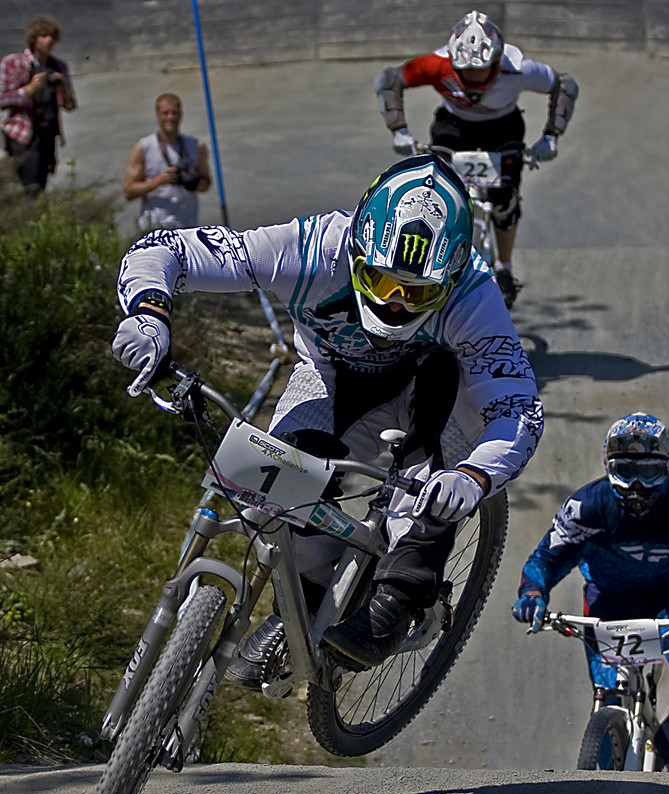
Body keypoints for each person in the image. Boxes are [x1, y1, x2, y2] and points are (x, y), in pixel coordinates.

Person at [112, 153, 544, 687]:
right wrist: (149, 313)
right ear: (359, 246)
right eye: (381, 281)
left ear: (452, 275)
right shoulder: (314, 248)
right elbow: (165, 251)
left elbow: (518, 408)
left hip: (430, 387)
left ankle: (404, 591)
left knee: (431, 483)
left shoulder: (473, 293)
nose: (394, 306)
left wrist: (475, 476)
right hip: (332, 377)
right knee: (277, 496)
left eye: (417, 293)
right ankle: (299, 604)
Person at [512, 412, 669, 771]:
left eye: (649, 472)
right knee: (609, 690)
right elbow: (545, 558)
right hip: (609, 601)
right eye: (625, 471)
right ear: (608, 467)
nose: (637, 486)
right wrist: (533, 593)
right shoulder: (584, 508)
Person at [375, 10, 578, 308]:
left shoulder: (517, 67)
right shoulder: (436, 64)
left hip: (503, 128)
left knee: (505, 199)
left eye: (480, 70)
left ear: (496, 61)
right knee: (437, 196)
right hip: (453, 127)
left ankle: (504, 268)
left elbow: (564, 85)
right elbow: (390, 79)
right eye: (465, 70)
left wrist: (551, 135)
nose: (472, 78)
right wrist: (399, 131)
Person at [0, 15, 77, 198]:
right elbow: (2, 99)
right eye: (43, 35)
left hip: (48, 134)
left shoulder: (58, 66)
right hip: (23, 134)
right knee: (28, 189)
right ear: (34, 38)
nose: (48, 40)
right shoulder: (14, 62)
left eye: (51, 35)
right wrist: (28, 90)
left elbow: (70, 105)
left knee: (40, 187)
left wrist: (63, 86)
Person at [123, 92, 211, 230]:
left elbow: (206, 184)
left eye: (174, 113)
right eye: (165, 113)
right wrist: (159, 181)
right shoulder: (143, 147)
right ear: (157, 115)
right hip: (155, 228)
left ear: (180, 115)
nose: (170, 117)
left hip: (186, 226)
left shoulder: (196, 146)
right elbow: (128, 192)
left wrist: (190, 181)